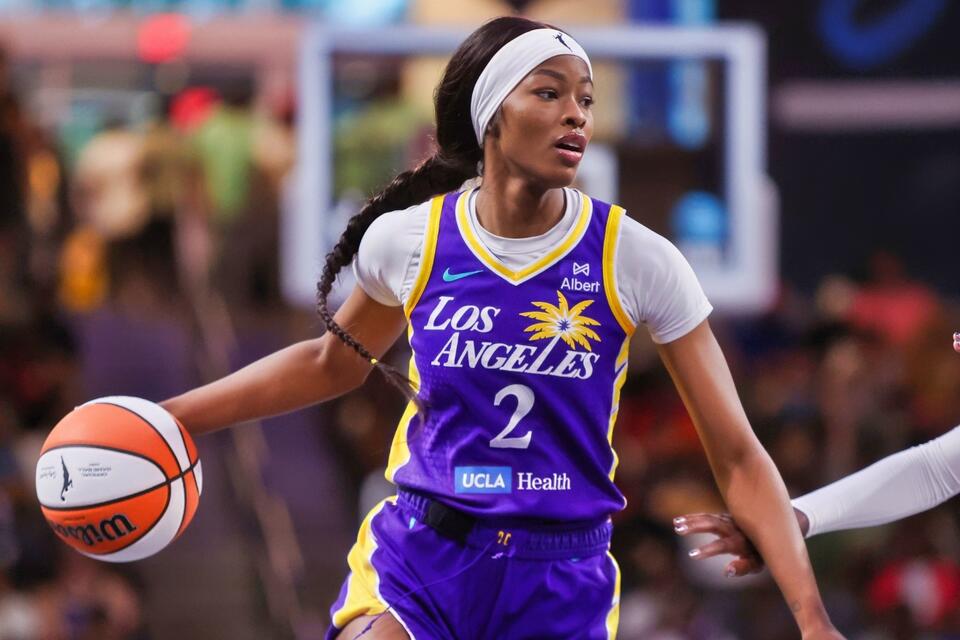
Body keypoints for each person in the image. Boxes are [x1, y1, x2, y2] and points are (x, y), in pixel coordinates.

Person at [160, 17, 843, 640]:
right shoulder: (411, 241)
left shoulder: (636, 258)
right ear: (490, 115)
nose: (576, 113)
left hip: (559, 579)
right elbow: (328, 364)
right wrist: (174, 417)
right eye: (548, 93)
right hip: (424, 556)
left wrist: (813, 621)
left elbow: (738, 456)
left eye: (585, 99)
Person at [675, 333, 960, 578]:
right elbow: (933, 470)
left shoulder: (886, 426)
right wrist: (789, 518)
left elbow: (933, 472)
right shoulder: (803, 427)